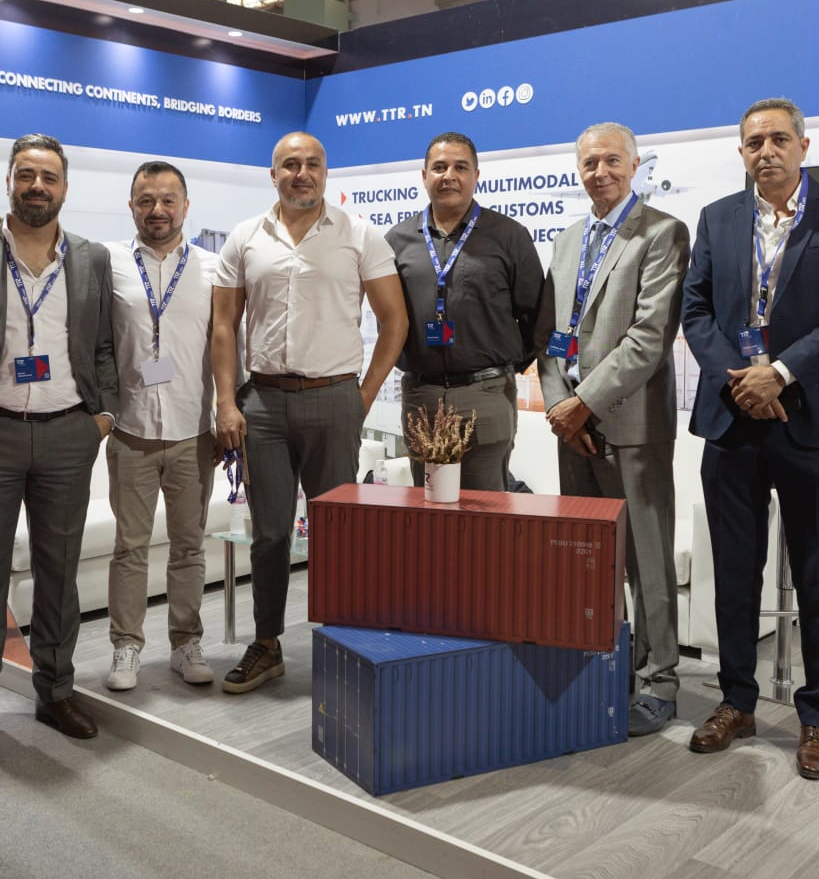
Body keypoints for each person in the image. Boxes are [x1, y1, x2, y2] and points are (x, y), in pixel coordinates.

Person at [682, 98, 819, 778]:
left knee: (817, 577)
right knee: (734, 574)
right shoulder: (717, 217)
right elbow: (696, 310)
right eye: (752, 142)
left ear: (802, 146)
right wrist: (741, 379)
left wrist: (781, 373)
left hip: (811, 421)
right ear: (741, 152)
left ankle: (818, 717)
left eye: (776, 139)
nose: (764, 151)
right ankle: (736, 702)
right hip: (732, 417)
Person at [0, 133, 116, 760]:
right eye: (26, 175)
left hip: (68, 433)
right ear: (8, 181)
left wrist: (103, 415)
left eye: (49, 177)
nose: (38, 187)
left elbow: (104, 345)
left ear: (65, 187)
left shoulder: (91, 258)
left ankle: (55, 692)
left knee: (58, 575)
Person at [211, 131, 408, 693]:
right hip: (264, 404)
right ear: (273, 174)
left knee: (338, 533)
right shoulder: (246, 237)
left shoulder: (358, 234)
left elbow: (394, 321)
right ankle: (267, 643)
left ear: (326, 171)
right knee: (270, 535)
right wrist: (225, 401)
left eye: (313, 164)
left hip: (334, 398)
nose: (303, 173)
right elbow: (223, 325)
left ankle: (343, 642)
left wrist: (363, 395)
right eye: (291, 164)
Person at [535, 122, 691, 736]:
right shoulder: (568, 239)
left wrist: (586, 403)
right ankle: (608, 666)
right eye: (590, 163)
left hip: (630, 423)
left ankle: (659, 682)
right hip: (572, 427)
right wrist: (559, 405)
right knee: (589, 560)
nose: (600, 172)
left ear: (634, 165)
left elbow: (649, 338)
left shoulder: (662, 232)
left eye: (611, 161)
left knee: (645, 561)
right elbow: (551, 335)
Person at [102, 162, 219, 690]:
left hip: (194, 432)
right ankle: (126, 647)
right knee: (129, 547)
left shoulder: (213, 268)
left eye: (168, 200)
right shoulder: (107, 263)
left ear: (185, 207)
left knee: (189, 547)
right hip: (131, 433)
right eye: (146, 200)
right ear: (131, 206)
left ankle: (185, 642)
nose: (158, 210)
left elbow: (228, 346)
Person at [386, 132, 543, 490]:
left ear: (476, 175)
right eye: (439, 167)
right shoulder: (398, 240)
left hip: (485, 394)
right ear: (424, 175)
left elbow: (536, 316)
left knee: (483, 511)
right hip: (421, 395)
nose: (449, 176)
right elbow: (389, 320)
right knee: (428, 509)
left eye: (460, 167)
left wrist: (497, 367)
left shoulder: (509, 236)